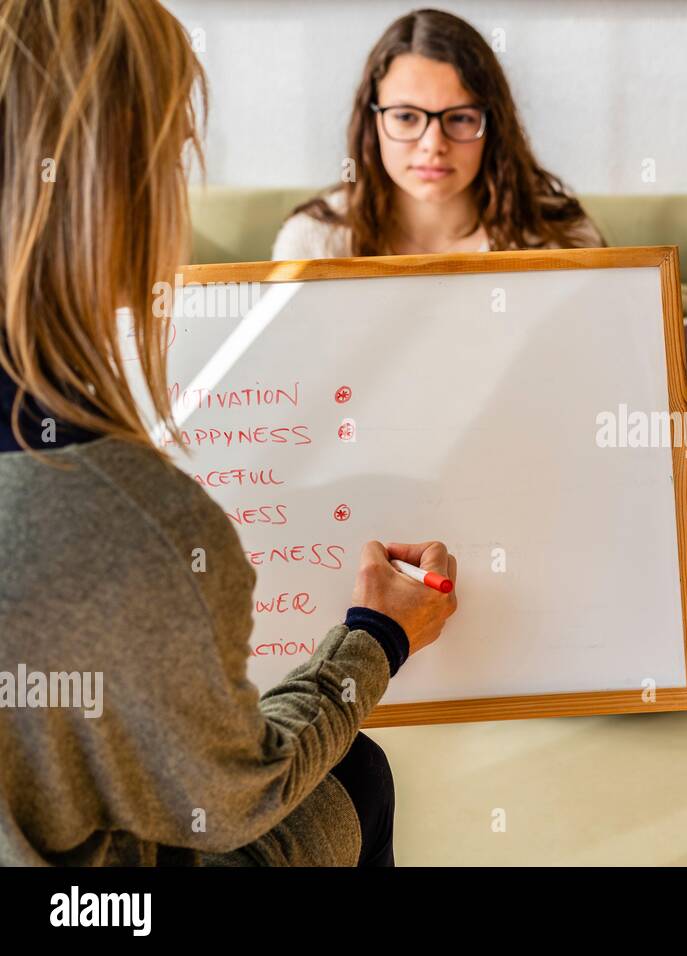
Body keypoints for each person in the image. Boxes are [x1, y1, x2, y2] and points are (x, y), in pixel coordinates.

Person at [0, 0, 455, 866]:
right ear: (120, 187)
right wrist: (378, 635)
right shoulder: (132, 520)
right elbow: (234, 798)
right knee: (356, 773)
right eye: (174, 155)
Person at [272, 8, 604, 260]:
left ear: (494, 125)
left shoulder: (562, 238)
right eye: (406, 117)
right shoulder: (312, 242)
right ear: (372, 122)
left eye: (460, 118)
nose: (433, 145)